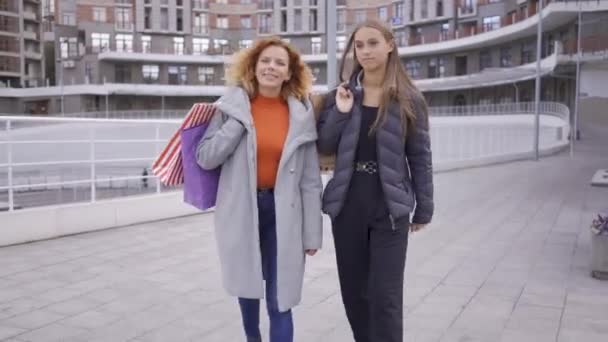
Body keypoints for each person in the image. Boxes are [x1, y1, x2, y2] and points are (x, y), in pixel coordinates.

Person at [196, 37, 323, 342]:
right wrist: (238, 122)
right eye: (265, 60)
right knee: (248, 290)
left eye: (280, 63)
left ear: (290, 73)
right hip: (243, 210)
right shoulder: (229, 108)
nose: (271, 67)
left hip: (285, 215)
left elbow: (309, 179)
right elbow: (206, 157)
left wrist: (312, 233)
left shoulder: (300, 115)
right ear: (253, 67)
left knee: (281, 299)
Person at [317, 20, 434, 342]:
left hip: (389, 207)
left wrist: (424, 207)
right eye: (359, 45)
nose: (365, 51)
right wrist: (341, 112)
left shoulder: (410, 99)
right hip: (348, 204)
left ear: (390, 45)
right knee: (355, 294)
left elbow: (420, 156)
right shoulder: (340, 95)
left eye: (372, 43)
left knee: (385, 297)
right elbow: (325, 146)